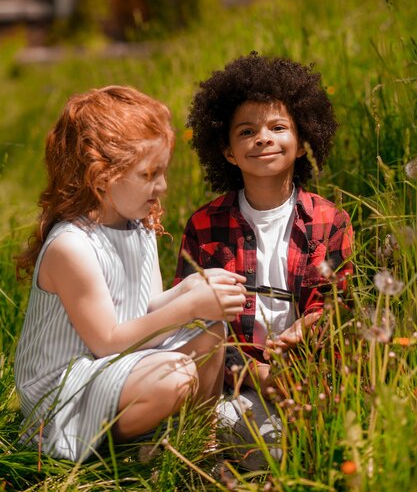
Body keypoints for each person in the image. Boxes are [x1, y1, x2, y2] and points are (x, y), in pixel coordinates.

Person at [14, 85, 247, 463]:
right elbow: (106, 341)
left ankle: (198, 444)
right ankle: (116, 451)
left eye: (163, 171)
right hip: (64, 391)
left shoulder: (137, 225)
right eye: (149, 173)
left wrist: (194, 287)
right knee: (177, 374)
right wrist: (188, 306)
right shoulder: (71, 247)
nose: (162, 186)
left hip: (118, 362)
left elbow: (146, 306)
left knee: (211, 330)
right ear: (101, 176)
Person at [174, 53, 354, 466]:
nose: (263, 138)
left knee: (309, 444)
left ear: (302, 139)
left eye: (278, 127)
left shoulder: (330, 220)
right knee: (252, 441)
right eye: (247, 131)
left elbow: (335, 305)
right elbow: (194, 321)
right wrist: (255, 374)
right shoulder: (204, 225)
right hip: (230, 380)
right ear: (228, 151)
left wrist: (303, 335)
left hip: (307, 378)